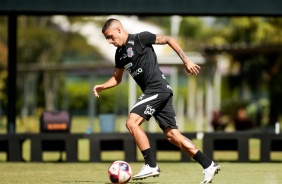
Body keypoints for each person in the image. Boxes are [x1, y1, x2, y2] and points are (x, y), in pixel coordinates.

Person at [93, 18, 220, 184]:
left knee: (132, 122)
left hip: (157, 89)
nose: (110, 41)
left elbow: (168, 39)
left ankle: (150, 164)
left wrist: (186, 60)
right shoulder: (120, 54)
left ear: (118, 30)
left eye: (110, 37)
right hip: (158, 93)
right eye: (106, 39)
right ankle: (208, 164)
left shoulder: (140, 39)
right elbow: (117, 78)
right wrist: (103, 86)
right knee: (173, 136)